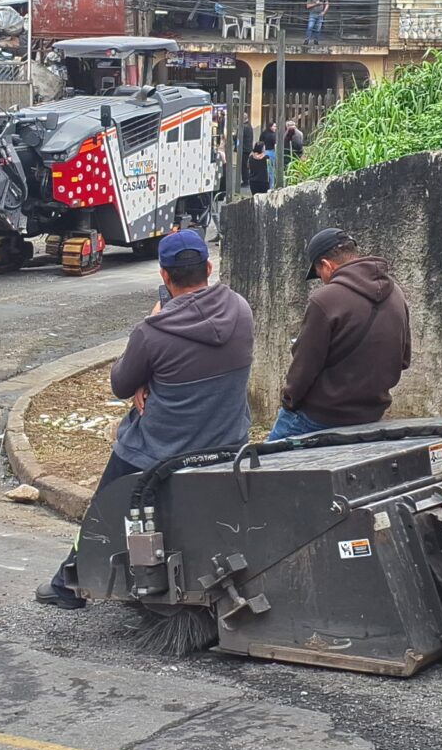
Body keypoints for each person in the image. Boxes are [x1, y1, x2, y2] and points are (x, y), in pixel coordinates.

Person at [37, 229, 253, 607]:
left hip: (157, 451)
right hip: (227, 443)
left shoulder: (153, 333)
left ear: (164, 277)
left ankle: (69, 580)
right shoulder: (241, 310)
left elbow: (121, 384)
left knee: (105, 503)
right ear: (209, 267)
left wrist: (152, 334)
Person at [268, 226, 413, 441]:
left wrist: (289, 401)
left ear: (327, 265)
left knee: (261, 468)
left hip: (319, 416)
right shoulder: (396, 294)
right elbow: (404, 359)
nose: (322, 280)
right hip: (371, 414)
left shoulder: (325, 300)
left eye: (319, 274)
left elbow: (304, 368)